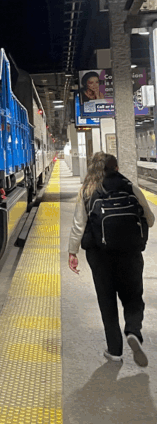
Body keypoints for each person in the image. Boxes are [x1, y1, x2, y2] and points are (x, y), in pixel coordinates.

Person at [68, 152, 153, 366]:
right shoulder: (129, 186)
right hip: (130, 252)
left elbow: (79, 225)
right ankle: (133, 330)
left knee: (107, 301)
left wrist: (72, 252)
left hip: (99, 254)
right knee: (133, 296)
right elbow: (150, 220)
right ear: (116, 168)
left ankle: (114, 350)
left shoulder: (87, 191)